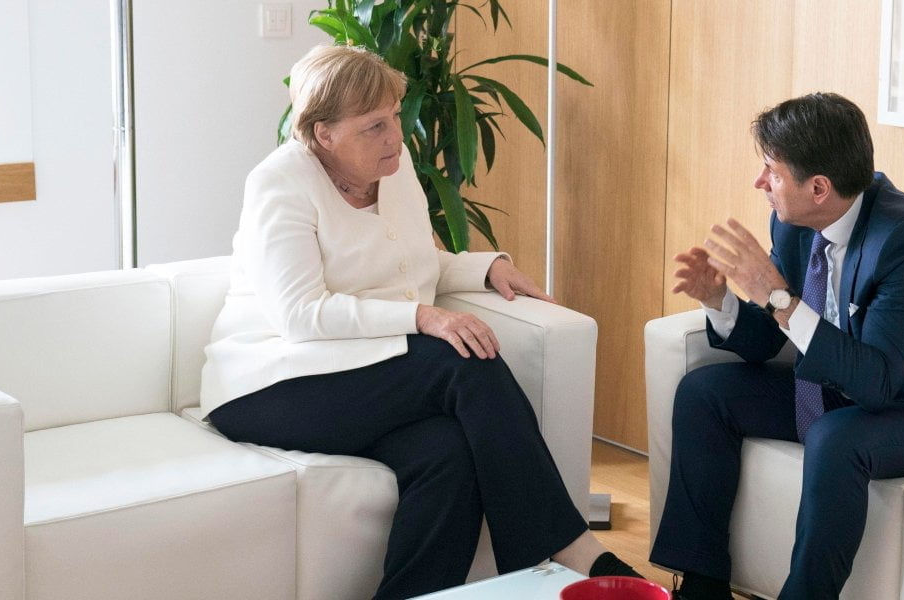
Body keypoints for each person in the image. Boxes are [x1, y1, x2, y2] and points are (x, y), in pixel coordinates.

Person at [199, 44, 639, 599]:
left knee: (447, 454)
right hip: (272, 383)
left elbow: (412, 263)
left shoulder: (394, 165)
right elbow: (300, 313)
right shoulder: (279, 182)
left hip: (357, 370)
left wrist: (485, 268)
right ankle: (564, 554)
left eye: (394, 117)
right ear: (323, 134)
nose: (396, 136)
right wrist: (423, 317)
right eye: (374, 126)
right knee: (463, 359)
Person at [649, 93, 904, 600]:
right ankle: (702, 588)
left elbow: (876, 381)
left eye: (772, 172)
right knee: (706, 393)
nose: (760, 183)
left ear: (818, 188)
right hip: (850, 386)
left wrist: (777, 296)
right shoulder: (794, 223)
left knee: (837, 437)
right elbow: (771, 339)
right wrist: (719, 300)